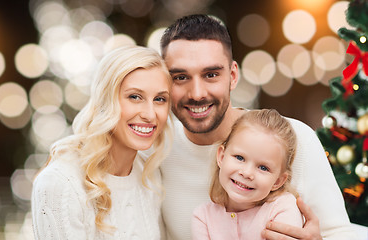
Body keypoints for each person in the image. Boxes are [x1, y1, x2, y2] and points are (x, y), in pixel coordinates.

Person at [158, 14, 356, 240]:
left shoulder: (296, 139)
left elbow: (341, 233)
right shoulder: (156, 149)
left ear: (232, 76)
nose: (197, 93)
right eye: (181, 77)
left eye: (211, 74)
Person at [31, 45, 172, 239]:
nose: (150, 114)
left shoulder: (150, 178)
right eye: (135, 97)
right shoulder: (61, 183)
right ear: (106, 101)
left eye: (160, 99)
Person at [192, 109, 303, 239]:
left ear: (278, 181)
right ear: (222, 157)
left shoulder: (283, 207)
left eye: (263, 167)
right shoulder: (203, 217)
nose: (246, 173)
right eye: (239, 158)